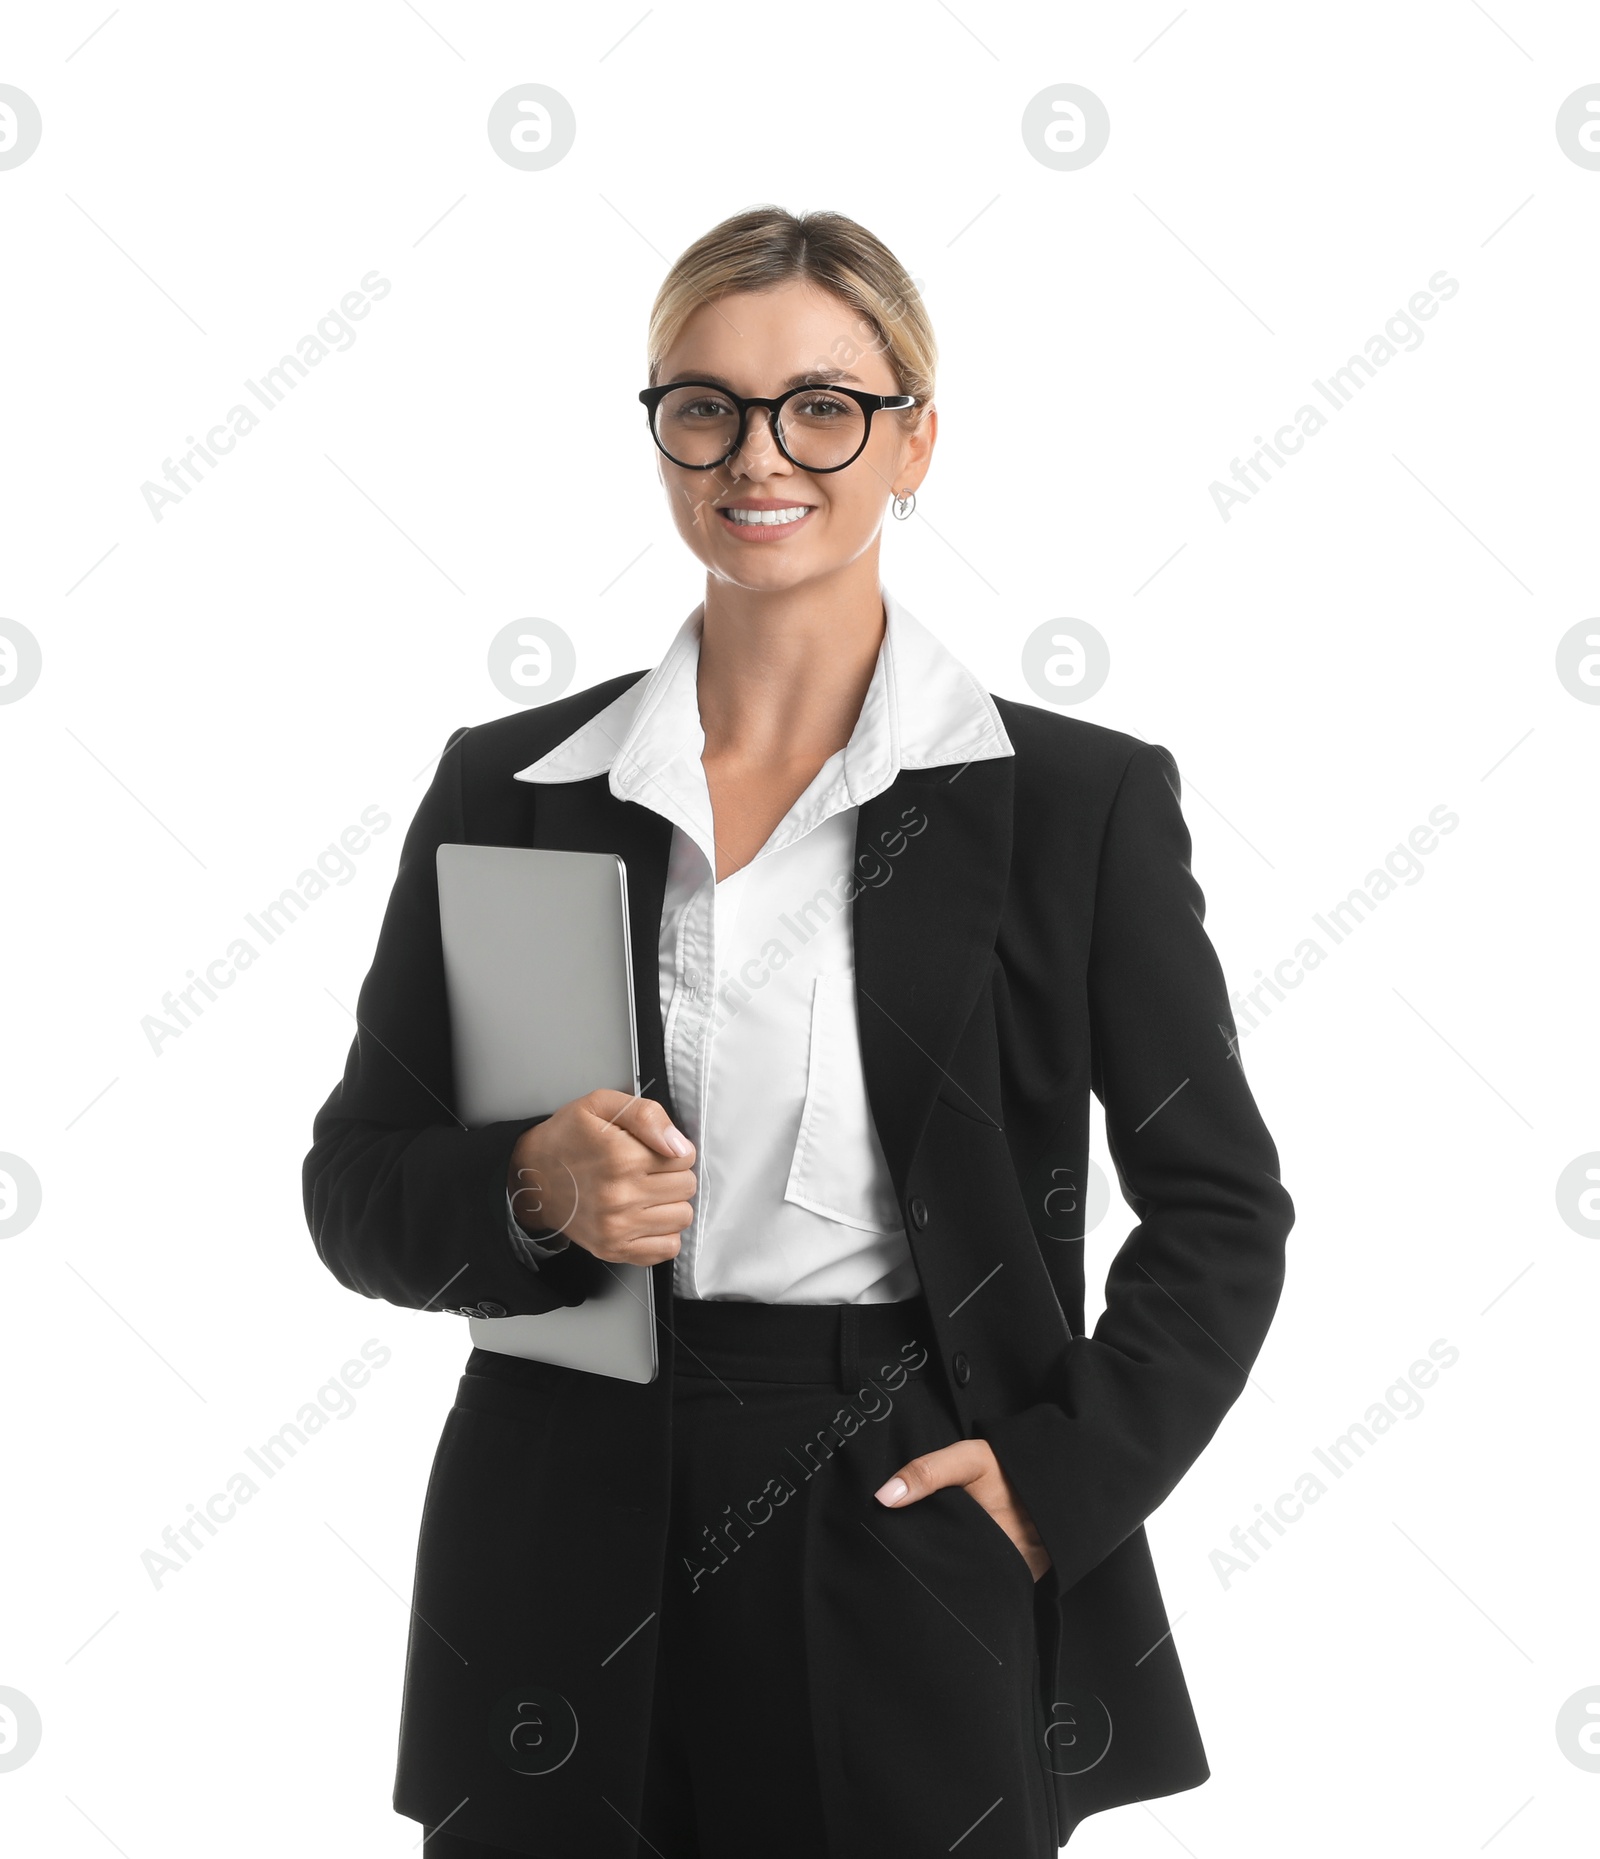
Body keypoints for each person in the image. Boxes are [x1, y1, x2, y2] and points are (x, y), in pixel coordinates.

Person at [302, 204, 1295, 1859]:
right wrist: (531, 1187)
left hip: (899, 1498)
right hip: (559, 1527)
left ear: (914, 436)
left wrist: (1056, 1486)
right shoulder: (514, 788)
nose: (760, 454)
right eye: (705, 405)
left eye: (822, 404)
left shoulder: (1073, 803)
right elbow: (357, 1190)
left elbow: (1221, 1210)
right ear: (662, 434)